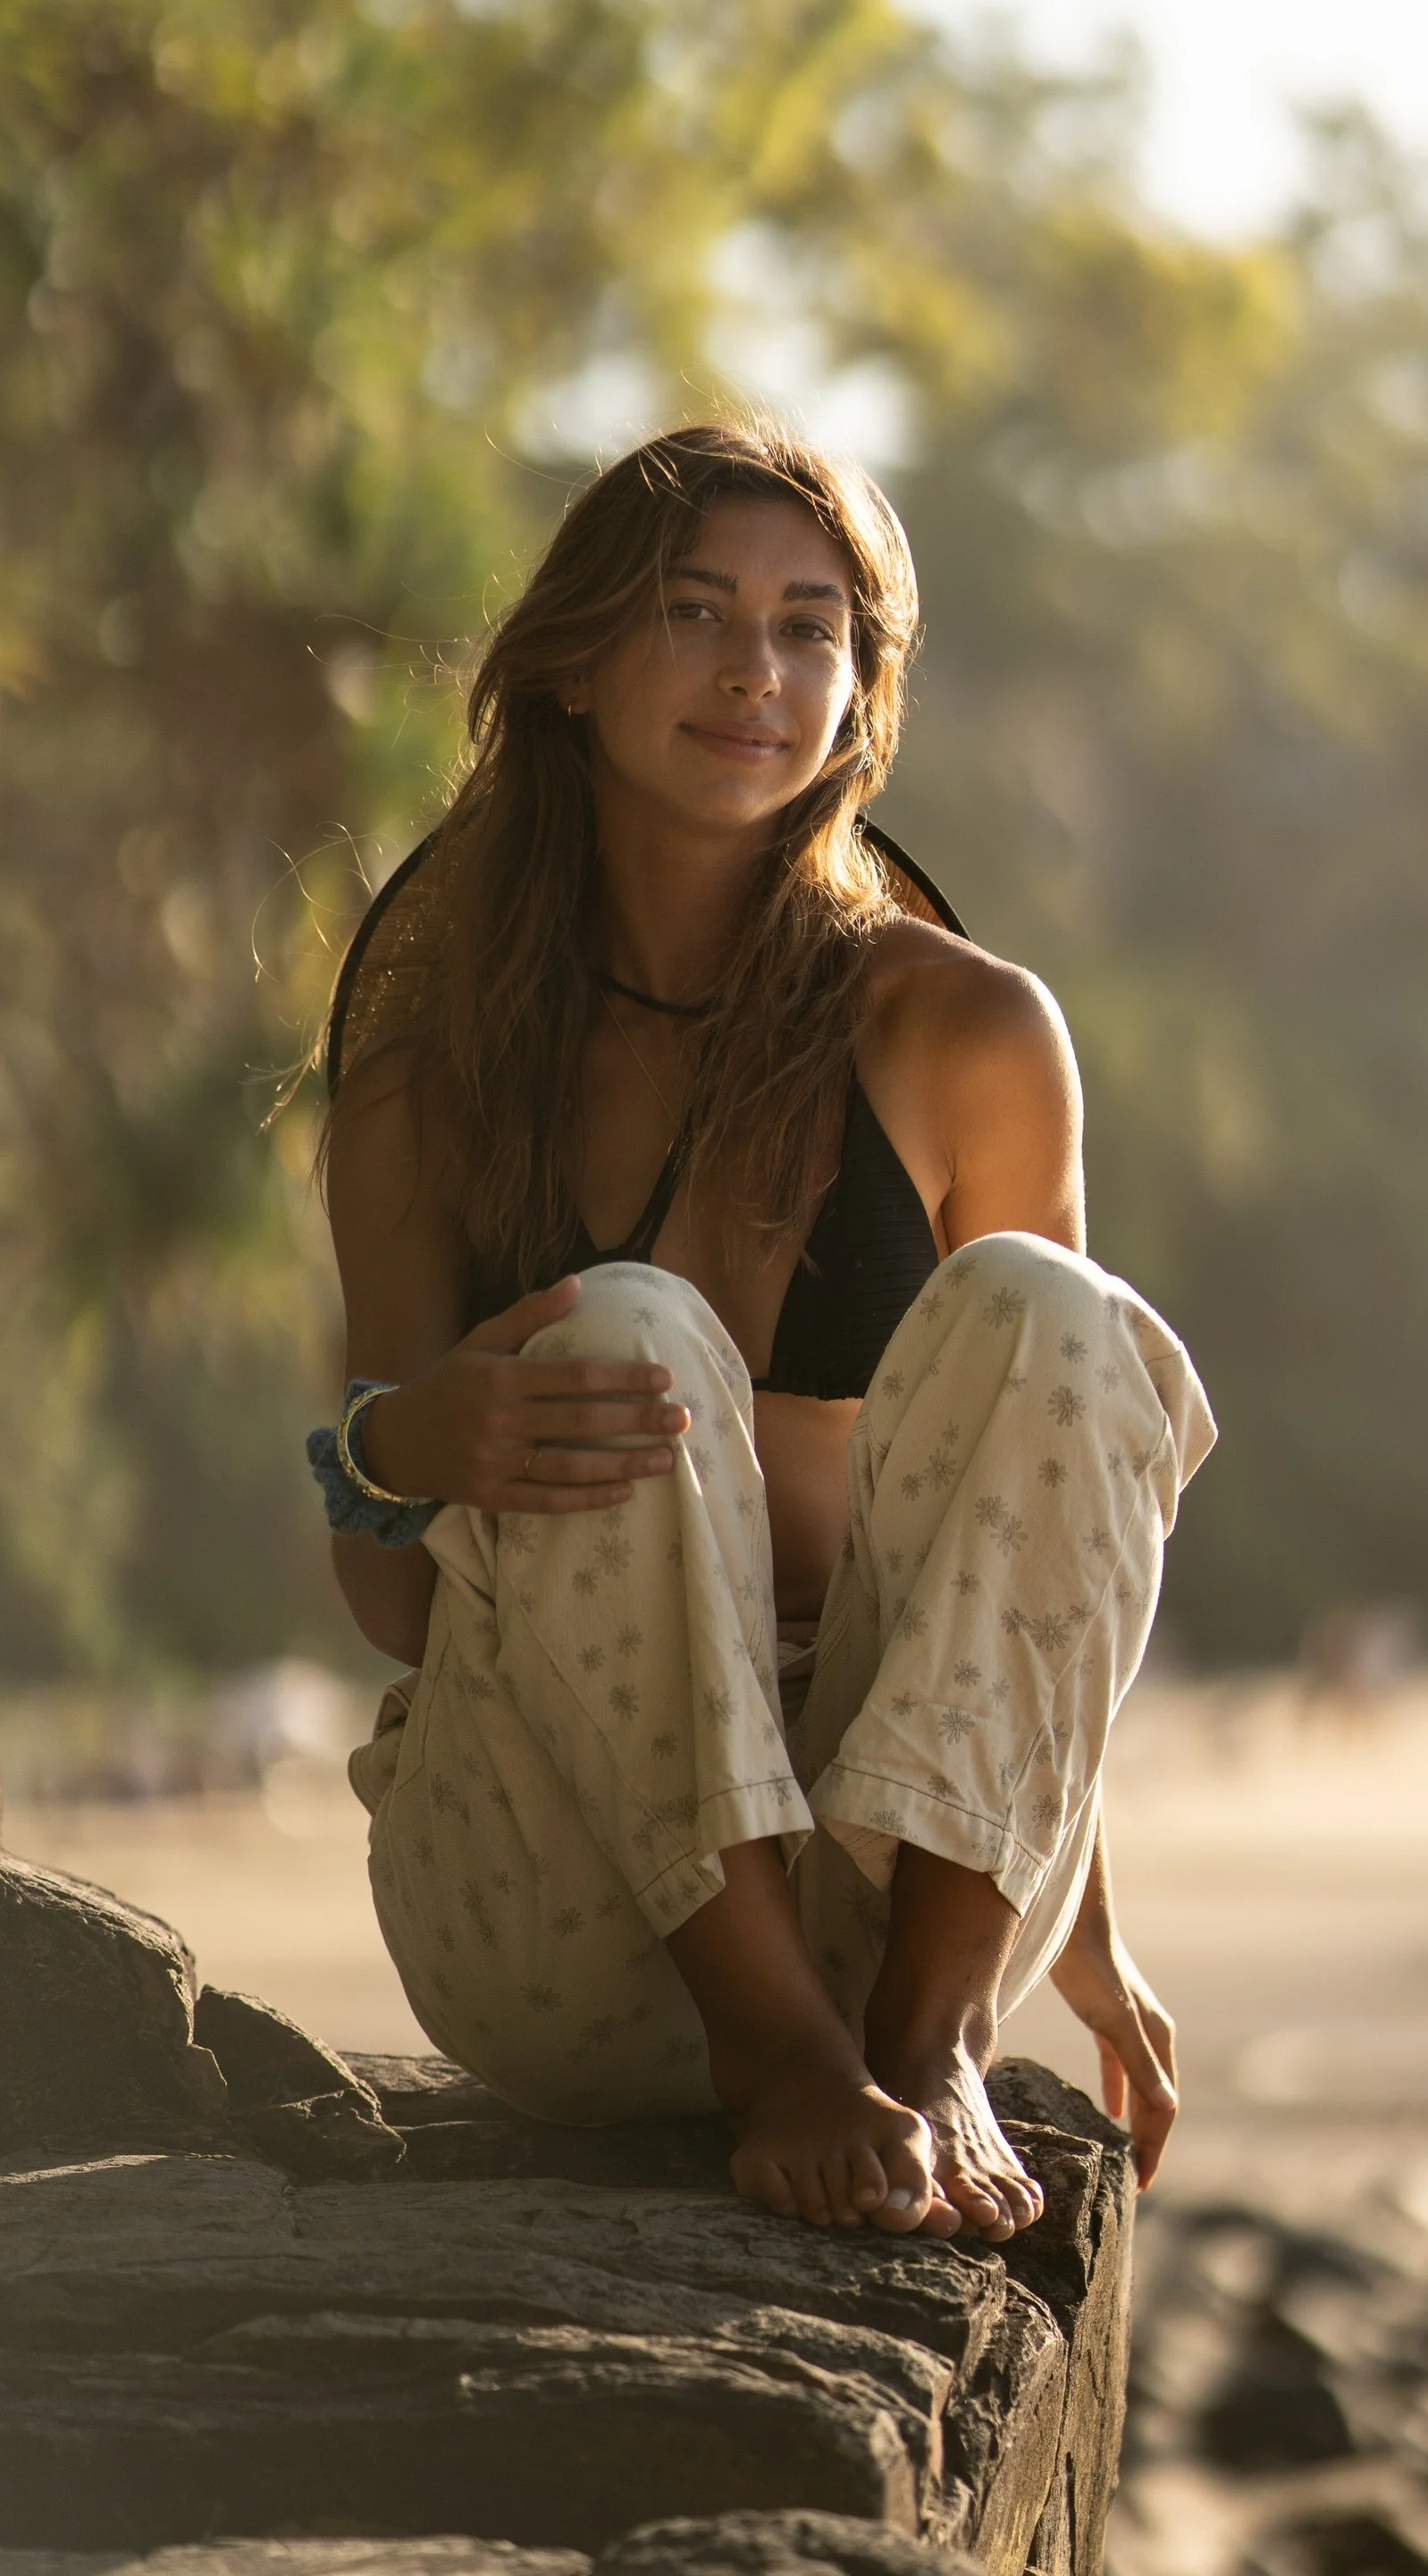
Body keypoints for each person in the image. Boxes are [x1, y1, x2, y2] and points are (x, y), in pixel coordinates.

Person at [311, 421, 1214, 2242]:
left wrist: (1081, 1928)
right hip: (563, 1910)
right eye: (693, 608)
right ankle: (770, 2050)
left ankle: (923, 2044)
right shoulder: (426, 1080)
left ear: (859, 694)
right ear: (568, 660)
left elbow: (1041, 1512)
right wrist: (415, 1442)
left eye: (813, 628)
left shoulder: (962, 1030)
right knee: (620, 1325)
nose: (756, 668)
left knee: (1058, 1303)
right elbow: (398, 1601)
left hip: (899, 1902)